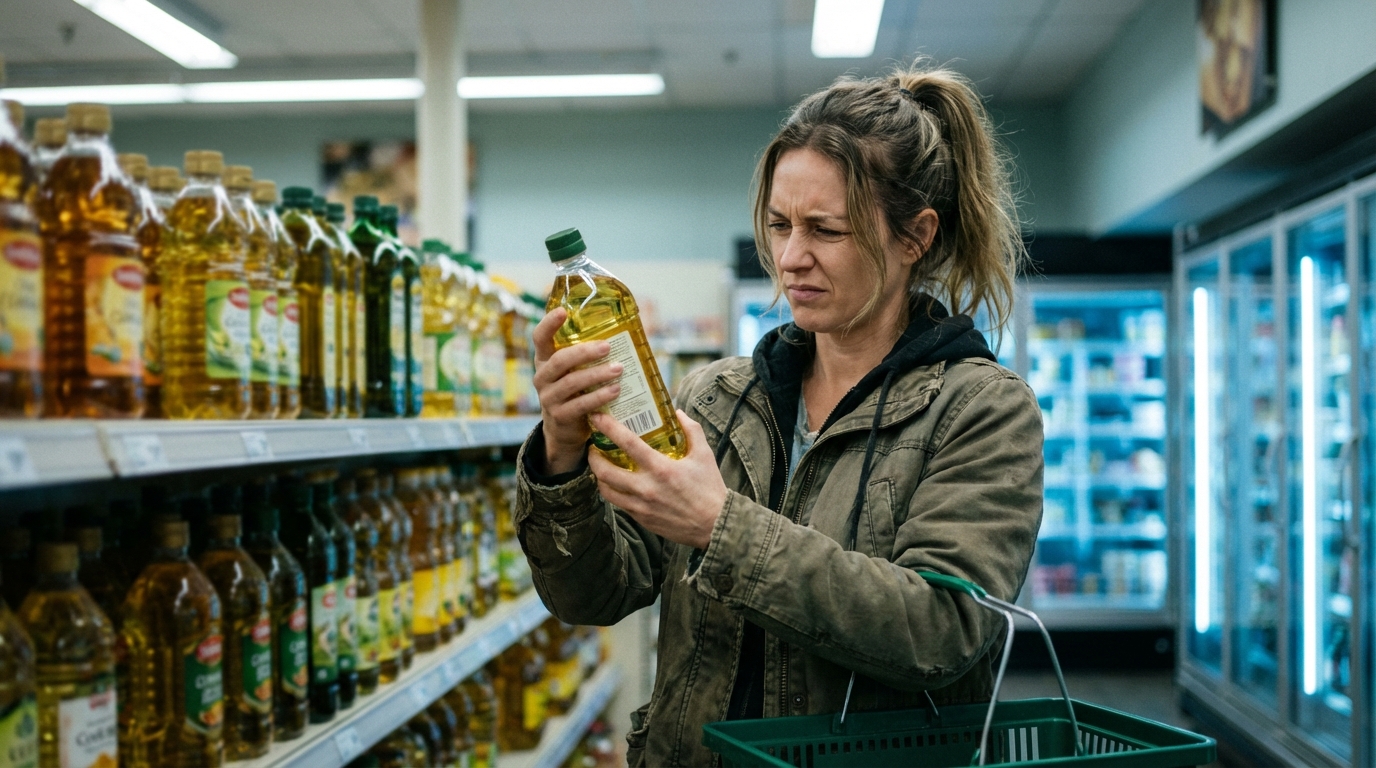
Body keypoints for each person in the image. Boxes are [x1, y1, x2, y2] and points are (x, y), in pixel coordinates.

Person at [516, 61, 1043, 767]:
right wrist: (560, 454)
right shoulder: (718, 398)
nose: (790, 258)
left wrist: (718, 526)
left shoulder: (980, 410)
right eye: (778, 224)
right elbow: (595, 593)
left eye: (825, 229)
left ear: (915, 235)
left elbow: (939, 632)